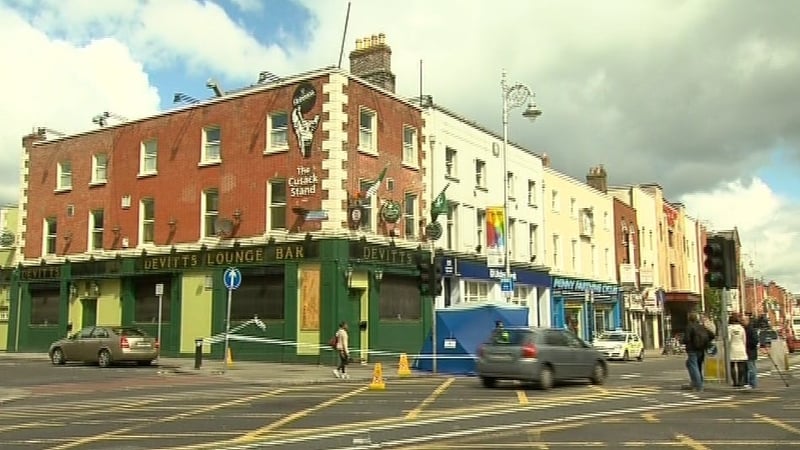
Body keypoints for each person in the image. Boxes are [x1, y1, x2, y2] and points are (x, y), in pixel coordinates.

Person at [683, 312, 715, 392]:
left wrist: (683, 341)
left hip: (692, 349)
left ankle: (698, 386)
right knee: (696, 366)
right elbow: (712, 335)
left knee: (694, 366)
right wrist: (706, 342)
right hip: (701, 349)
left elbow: (686, 339)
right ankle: (697, 383)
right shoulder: (701, 326)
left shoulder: (689, 326)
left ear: (689, 319)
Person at [728, 313, 749, 388]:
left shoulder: (729, 328)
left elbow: (728, 339)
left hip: (732, 348)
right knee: (741, 365)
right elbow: (744, 339)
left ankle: (735, 382)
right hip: (741, 347)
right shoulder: (741, 328)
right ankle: (740, 381)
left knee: (732, 365)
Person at [742, 314, 759, 389]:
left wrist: (747, 344)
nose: (742, 322)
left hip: (750, 351)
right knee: (749, 368)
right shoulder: (745, 329)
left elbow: (755, 340)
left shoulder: (750, 329)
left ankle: (752, 384)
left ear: (747, 321)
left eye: (743, 320)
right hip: (749, 351)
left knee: (751, 368)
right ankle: (749, 383)